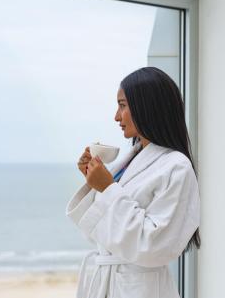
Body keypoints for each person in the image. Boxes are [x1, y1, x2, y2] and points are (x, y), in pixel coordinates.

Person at [66, 67, 201, 298]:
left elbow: (155, 244)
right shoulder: (132, 160)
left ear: (146, 106)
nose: (116, 117)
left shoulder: (177, 167)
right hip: (108, 283)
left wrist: (107, 188)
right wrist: (95, 182)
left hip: (140, 289)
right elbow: (96, 233)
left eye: (122, 105)